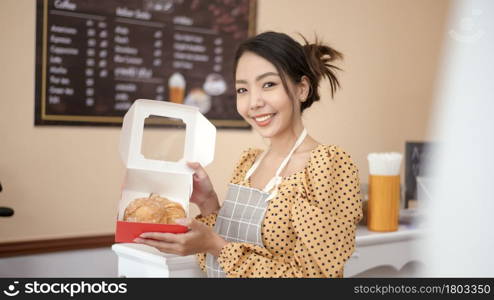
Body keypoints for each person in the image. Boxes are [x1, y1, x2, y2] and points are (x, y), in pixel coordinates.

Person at [134, 31, 363, 278]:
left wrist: (214, 245)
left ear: (302, 89)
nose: (253, 102)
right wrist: (207, 202)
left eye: (269, 84)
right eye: (242, 90)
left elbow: (315, 278)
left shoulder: (328, 165)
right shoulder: (249, 163)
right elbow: (221, 265)